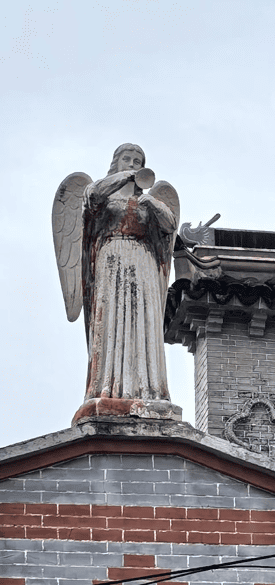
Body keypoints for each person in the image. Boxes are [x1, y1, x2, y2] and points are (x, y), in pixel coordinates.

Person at [75, 144, 180, 420]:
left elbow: (170, 226)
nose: (132, 163)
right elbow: (92, 197)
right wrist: (126, 177)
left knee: (143, 323)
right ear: (115, 163)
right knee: (111, 323)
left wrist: (153, 203)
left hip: (143, 262)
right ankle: (108, 388)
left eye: (137, 160)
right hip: (112, 261)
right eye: (127, 159)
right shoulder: (103, 194)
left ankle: (149, 390)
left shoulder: (147, 201)